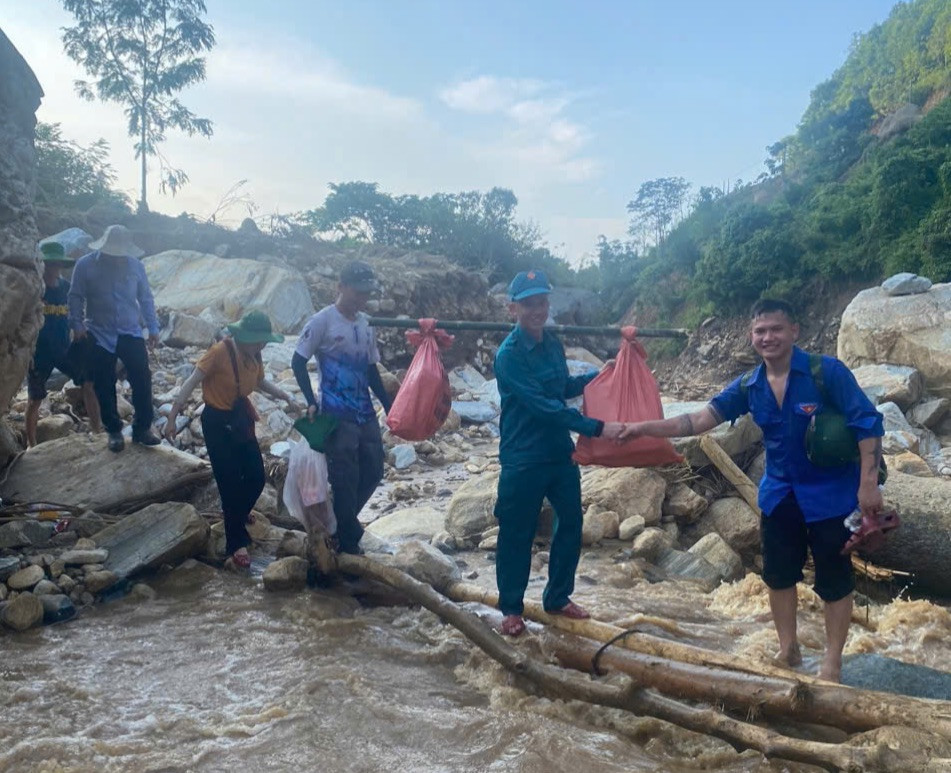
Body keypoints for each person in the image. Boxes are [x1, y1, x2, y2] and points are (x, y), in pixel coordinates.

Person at [620, 298, 884, 682]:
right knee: (777, 576)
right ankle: (788, 649)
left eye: (776, 329)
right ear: (751, 337)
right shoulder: (749, 385)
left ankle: (832, 661)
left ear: (794, 331)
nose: (768, 337)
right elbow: (699, 420)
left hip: (832, 496)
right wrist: (645, 427)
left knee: (834, 578)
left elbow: (868, 423)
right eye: (760, 331)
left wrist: (868, 485)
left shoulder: (826, 372)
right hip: (779, 497)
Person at [493, 269, 629, 637]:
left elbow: (562, 388)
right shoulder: (508, 356)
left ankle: (557, 597)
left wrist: (601, 375)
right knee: (516, 533)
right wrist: (598, 428)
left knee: (570, 523)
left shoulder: (552, 344)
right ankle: (510, 608)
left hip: (559, 453)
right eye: (529, 304)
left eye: (542, 302)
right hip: (523, 457)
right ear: (513, 309)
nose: (538, 309)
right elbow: (542, 405)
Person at [165, 311, 302, 568]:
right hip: (217, 422)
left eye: (264, 342)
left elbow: (260, 382)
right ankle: (235, 543)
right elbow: (191, 382)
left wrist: (286, 397)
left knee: (255, 477)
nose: (262, 346)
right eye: (258, 341)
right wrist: (172, 417)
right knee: (229, 484)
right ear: (244, 337)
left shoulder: (254, 354)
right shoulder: (219, 352)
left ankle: (236, 515)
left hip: (240, 418)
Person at [291, 261, 393, 556]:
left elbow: (371, 368)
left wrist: (388, 404)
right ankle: (347, 542)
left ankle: (339, 525)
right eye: (357, 292)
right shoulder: (322, 322)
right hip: (336, 414)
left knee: (373, 470)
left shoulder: (365, 323)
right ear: (341, 287)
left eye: (366, 293)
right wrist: (311, 400)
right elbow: (298, 362)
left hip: (365, 412)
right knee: (345, 478)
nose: (362, 298)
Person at [67, 224, 161, 452]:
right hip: (99, 332)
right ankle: (114, 430)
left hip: (131, 330)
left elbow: (146, 298)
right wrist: (77, 324)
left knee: (142, 377)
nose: (117, 259)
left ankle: (142, 429)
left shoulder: (136, 266)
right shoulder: (85, 265)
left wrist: (153, 327)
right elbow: (75, 296)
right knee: (103, 381)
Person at [26, 242, 101, 447]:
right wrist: (27, 353)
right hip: (39, 352)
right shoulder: (35, 289)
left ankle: (98, 431)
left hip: (64, 349)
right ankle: (31, 445)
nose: (53, 268)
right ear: (43, 264)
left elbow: (77, 314)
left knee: (88, 383)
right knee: (35, 399)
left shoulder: (67, 288)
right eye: (49, 264)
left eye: (57, 264)